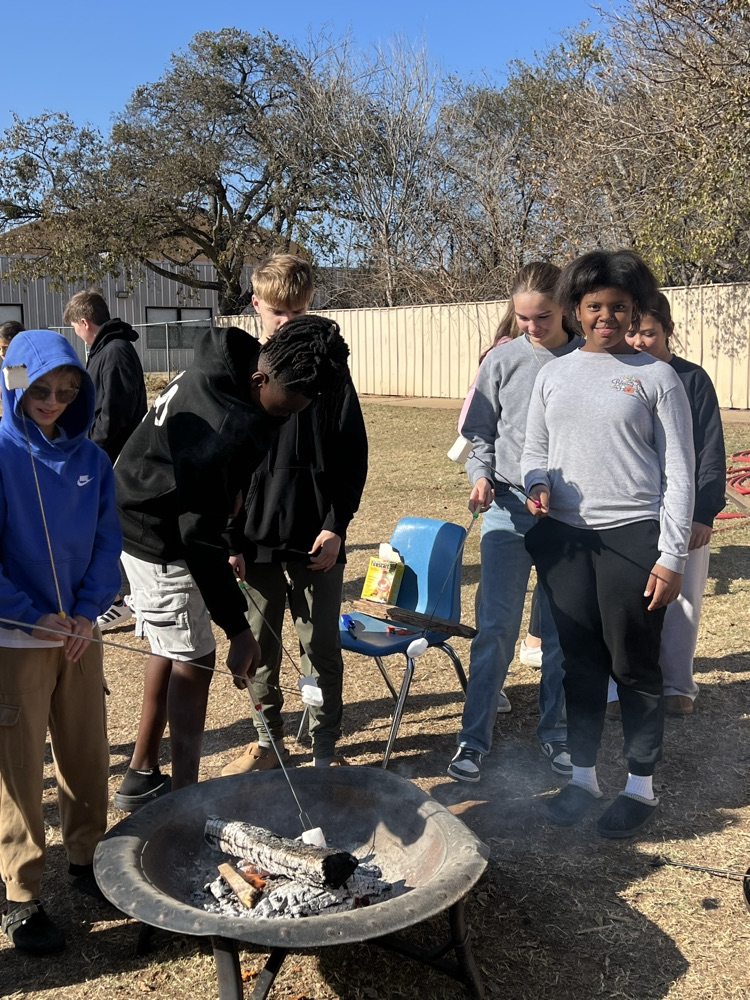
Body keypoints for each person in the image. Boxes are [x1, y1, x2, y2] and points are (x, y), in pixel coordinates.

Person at [112, 317, 351, 810]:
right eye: (285, 409)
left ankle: (140, 773)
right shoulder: (214, 417)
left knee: (170, 645)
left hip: (176, 515)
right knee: (195, 659)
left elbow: (229, 486)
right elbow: (196, 534)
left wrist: (233, 523)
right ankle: (185, 803)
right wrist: (237, 629)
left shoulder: (243, 363)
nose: (285, 419)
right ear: (262, 381)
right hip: (153, 531)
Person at [522, 250, 695, 838]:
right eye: (594, 306)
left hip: (634, 538)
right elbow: (533, 452)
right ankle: (583, 779)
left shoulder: (657, 377)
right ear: (576, 309)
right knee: (580, 663)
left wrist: (671, 556)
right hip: (567, 542)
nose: (606, 317)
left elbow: (680, 473)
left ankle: (641, 789)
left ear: (634, 311)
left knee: (634, 665)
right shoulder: (554, 374)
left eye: (618, 308)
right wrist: (538, 482)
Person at [0, 330, 122, 954]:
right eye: (41, 390)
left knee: (86, 750)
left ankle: (88, 858)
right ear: (16, 383)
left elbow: (107, 545)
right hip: (16, 640)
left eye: (65, 392)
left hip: (79, 635)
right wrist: (31, 617)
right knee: (19, 768)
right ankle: (21, 893)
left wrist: (84, 613)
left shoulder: (93, 463)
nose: (51, 402)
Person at [221, 255, 367, 773]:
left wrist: (336, 525)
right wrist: (231, 540)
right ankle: (269, 741)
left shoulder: (330, 370)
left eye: (296, 311)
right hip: (254, 537)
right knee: (260, 643)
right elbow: (228, 463)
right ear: (255, 304)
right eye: (276, 312)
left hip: (316, 538)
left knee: (320, 644)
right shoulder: (242, 369)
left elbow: (352, 456)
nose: (286, 323)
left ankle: (325, 744)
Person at [447, 262, 584, 783]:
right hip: (505, 509)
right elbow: (479, 433)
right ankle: (472, 740)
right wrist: (480, 475)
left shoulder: (586, 360)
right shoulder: (501, 360)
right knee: (497, 630)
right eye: (522, 317)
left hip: (566, 518)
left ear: (566, 307)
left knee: (559, 631)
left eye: (541, 317)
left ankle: (557, 735)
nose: (530, 327)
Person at [605, 291, 725, 718]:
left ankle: (676, 684)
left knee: (683, 600)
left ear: (669, 331)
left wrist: (702, 513)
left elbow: (711, 451)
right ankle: (620, 689)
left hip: (683, 510)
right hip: (630, 510)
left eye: (649, 333)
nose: (638, 342)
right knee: (625, 600)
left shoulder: (693, 381)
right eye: (633, 332)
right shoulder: (616, 376)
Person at [64, 290, 148, 631]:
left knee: (117, 529)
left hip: (117, 458)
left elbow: (112, 415)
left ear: (85, 323)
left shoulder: (114, 352)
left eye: (74, 328)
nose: (76, 334)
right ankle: (122, 598)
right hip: (108, 455)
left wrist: (89, 450)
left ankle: (131, 600)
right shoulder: (105, 350)